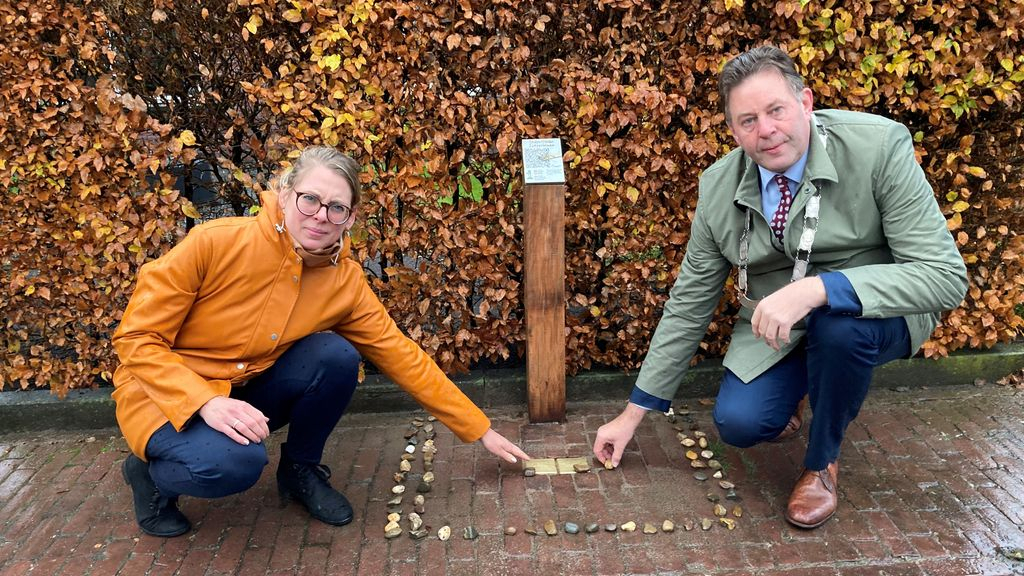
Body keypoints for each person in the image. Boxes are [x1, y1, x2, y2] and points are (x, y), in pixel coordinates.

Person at [593, 45, 967, 529]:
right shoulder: (718, 187)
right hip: (779, 326)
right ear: (733, 130)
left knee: (840, 331)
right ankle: (800, 391)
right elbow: (689, 303)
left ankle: (822, 463)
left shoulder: (878, 146)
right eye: (747, 121)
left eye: (776, 110)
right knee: (739, 424)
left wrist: (820, 289)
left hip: (877, 310)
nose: (766, 130)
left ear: (805, 102)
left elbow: (943, 276)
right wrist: (633, 413)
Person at [112, 145, 530, 537]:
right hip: (164, 394)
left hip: (244, 390)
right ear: (284, 193)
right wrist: (205, 401)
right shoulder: (214, 243)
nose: (320, 217)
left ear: (350, 217)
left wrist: (479, 428)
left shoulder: (343, 281)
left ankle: (300, 470)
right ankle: (148, 476)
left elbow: (402, 355)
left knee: (336, 356)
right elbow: (136, 338)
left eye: (336, 207)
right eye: (309, 199)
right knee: (234, 465)